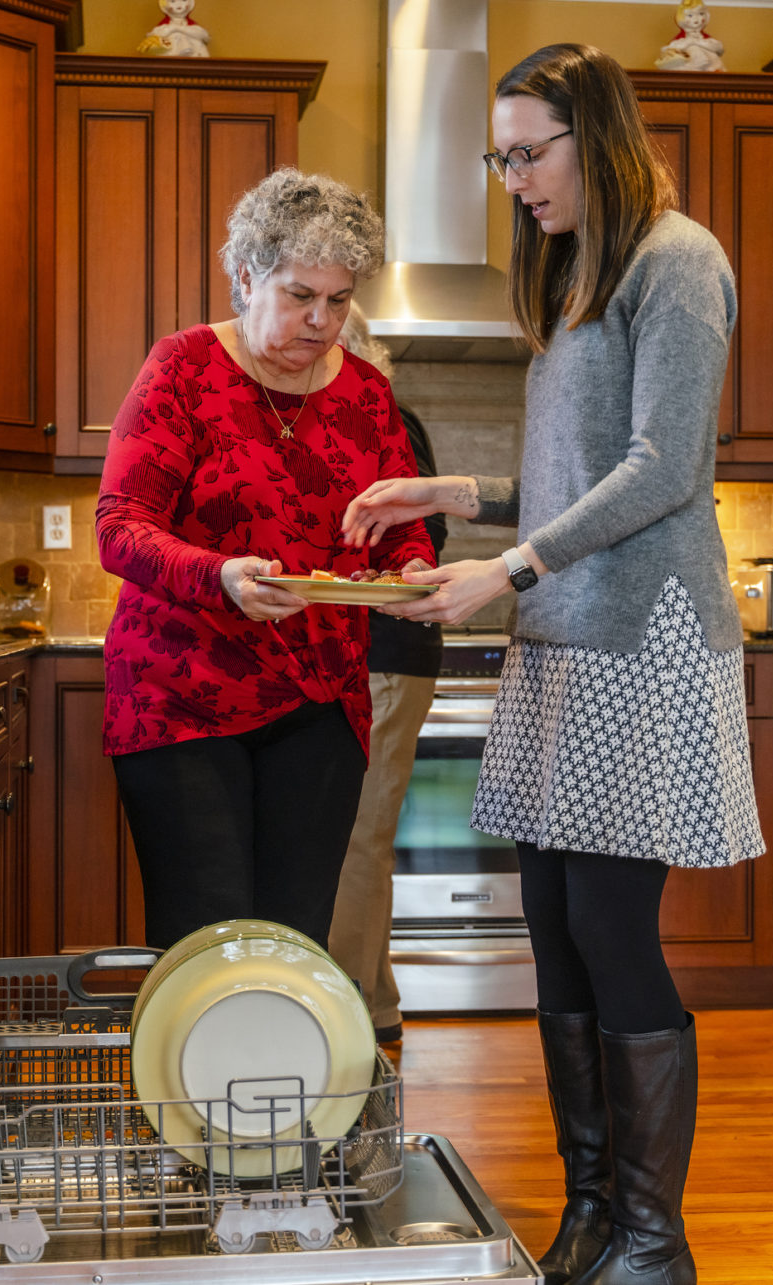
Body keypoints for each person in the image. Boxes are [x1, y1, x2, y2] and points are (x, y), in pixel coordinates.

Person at [342, 45, 761, 1285]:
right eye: (500, 158)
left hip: (642, 639)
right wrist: (451, 491)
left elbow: (664, 471)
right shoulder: (576, 275)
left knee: (608, 925)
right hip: (568, 638)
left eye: (529, 153)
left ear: (598, 137)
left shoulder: (678, 261)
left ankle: (652, 1238)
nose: (513, 180)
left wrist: (509, 569)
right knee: (551, 923)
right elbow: (577, 481)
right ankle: (593, 1209)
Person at [96, 168, 436, 952]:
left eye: (340, 300)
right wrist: (217, 575)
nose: (322, 320)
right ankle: (193, 1083)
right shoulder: (181, 369)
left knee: (293, 946)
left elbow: (397, 524)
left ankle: (282, 1082)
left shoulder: (367, 395)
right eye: (299, 295)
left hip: (321, 702)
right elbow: (120, 525)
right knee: (206, 940)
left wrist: (412, 572)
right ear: (246, 276)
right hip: (180, 700)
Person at [326, 304, 446, 1046]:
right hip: (367, 652)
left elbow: (423, 534)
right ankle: (376, 1002)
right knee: (358, 832)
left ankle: (342, 1014)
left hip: (385, 651)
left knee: (358, 832)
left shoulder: (386, 420)